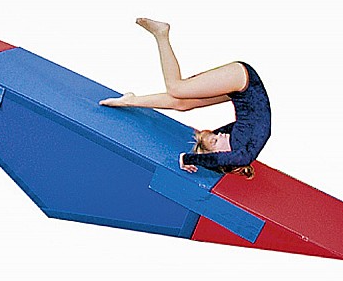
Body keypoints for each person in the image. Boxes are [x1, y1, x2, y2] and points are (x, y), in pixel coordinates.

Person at [99, 18, 271, 178]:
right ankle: (161, 34)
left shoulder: (239, 141)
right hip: (243, 80)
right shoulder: (244, 153)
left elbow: (223, 139)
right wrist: (187, 159)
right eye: (215, 141)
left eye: (215, 139)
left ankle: (130, 100)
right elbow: (225, 159)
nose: (219, 135)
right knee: (176, 87)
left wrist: (201, 143)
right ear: (225, 155)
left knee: (181, 104)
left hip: (239, 90)